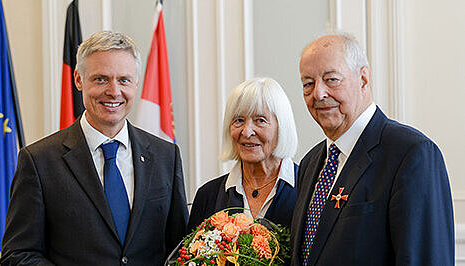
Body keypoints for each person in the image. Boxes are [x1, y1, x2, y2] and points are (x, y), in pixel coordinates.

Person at [1, 31, 188, 265]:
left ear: (136, 83)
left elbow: (181, 249)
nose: (113, 91)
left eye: (124, 80)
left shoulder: (165, 156)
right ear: (79, 79)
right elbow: (18, 254)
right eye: (101, 79)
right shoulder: (39, 161)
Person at [290, 34, 454, 265]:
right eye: (308, 83)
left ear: (363, 79)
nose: (318, 93)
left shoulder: (411, 154)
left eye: (331, 79)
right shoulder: (310, 163)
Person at [188, 77, 298, 231]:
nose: (246, 132)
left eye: (260, 120)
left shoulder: (308, 188)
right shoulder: (208, 196)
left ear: (282, 127)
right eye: (239, 120)